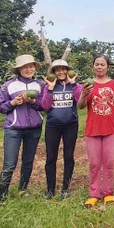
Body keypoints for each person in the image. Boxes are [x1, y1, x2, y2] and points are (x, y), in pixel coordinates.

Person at [0, 54, 46, 204]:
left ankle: (23, 189)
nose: (29, 69)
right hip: (14, 130)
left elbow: (44, 105)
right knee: (10, 163)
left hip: (34, 129)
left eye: (31, 66)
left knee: (28, 161)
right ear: (19, 69)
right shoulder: (9, 85)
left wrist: (33, 102)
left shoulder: (40, 85)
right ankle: (1, 196)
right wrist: (12, 103)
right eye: (25, 67)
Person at [77, 55, 114, 208]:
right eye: (96, 64)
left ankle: (108, 192)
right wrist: (84, 93)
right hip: (93, 129)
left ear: (108, 67)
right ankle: (94, 194)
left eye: (102, 64)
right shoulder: (87, 85)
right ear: (93, 67)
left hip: (111, 127)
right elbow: (81, 106)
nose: (99, 67)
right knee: (94, 163)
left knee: (110, 162)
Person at [40, 59, 83, 200]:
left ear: (67, 70)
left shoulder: (74, 85)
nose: (61, 72)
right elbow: (45, 106)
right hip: (53, 125)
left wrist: (74, 84)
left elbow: (80, 100)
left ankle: (65, 188)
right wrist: (50, 88)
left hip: (70, 125)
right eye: (57, 69)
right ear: (53, 72)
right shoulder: (48, 87)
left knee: (68, 156)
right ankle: (50, 189)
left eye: (63, 69)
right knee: (51, 158)